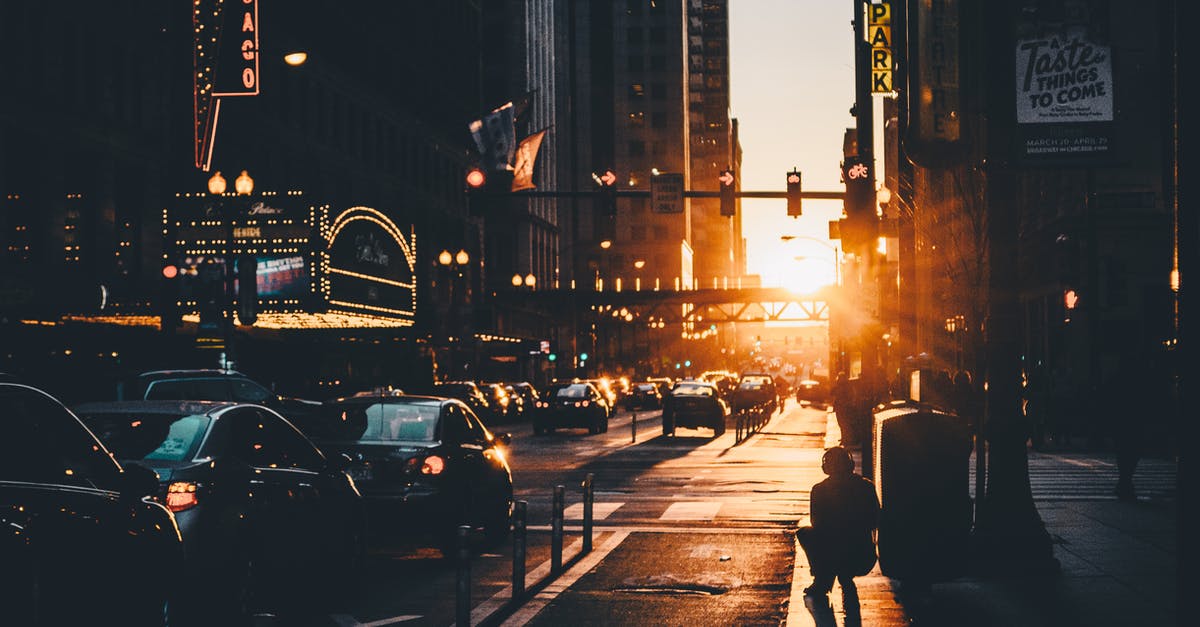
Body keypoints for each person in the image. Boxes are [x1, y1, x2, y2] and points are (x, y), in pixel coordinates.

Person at [795, 446, 881, 597]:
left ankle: (822, 579)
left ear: (826, 467)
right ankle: (844, 573)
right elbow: (874, 520)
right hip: (863, 557)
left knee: (805, 533)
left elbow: (816, 523)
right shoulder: (866, 486)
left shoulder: (819, 490)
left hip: (830, 555)